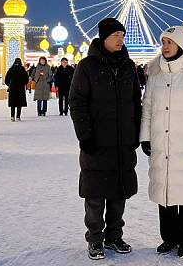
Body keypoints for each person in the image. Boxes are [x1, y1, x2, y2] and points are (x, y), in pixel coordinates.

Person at [69, 17, 142, 260]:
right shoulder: (87, 66)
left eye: (122, 35)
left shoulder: (129, 67)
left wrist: (136, 133)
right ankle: (95, 238)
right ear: (103, 38)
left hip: (123, 142)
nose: (120, 39)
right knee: (96, 194)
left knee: (118, 192)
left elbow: (136, 102)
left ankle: (114, 236)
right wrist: (85, 136)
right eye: (115, 36)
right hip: (97, 143)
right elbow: (77, 103)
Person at [140, 26, 183, 258]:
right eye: (163, 42)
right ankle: (169, 237)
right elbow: (147, 108)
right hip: (161, 142)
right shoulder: (155, 74)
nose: (165, 46)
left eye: (169, 42)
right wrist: (146, 136)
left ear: (180, 44)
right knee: (165, 192)